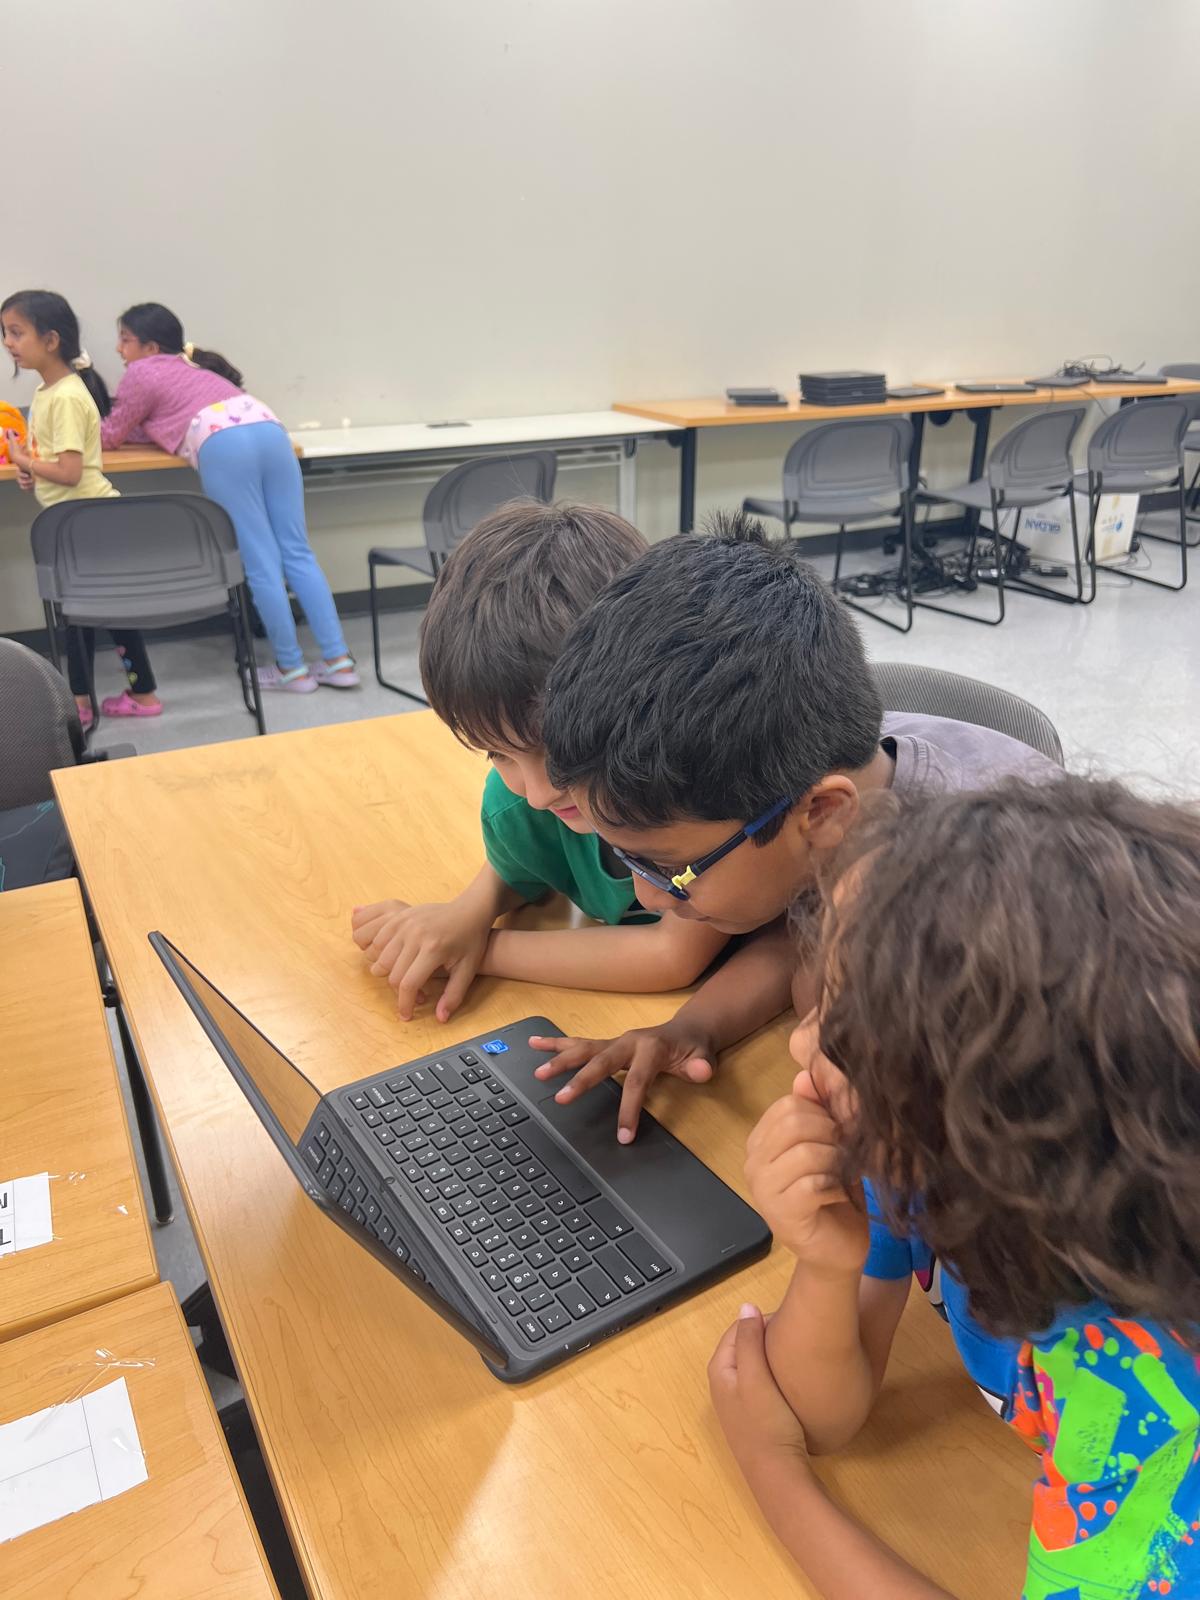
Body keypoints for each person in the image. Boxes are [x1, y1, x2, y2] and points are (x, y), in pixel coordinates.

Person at [708, 776, 1200, 1600]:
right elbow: (823, 1415)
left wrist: (775, 1476)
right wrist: (828, 1262)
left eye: (844, 1036)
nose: (798, 1046)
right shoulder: (926, 1154)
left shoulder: (1145, 1388)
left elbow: (793, 1439)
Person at [536, 511, 1058, 1139]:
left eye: (670, 869)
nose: (649, 899)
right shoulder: (813, 802)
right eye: (629, 861)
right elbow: (799, 930)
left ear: (822, 813)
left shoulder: (981, 931)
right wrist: (692, 1028)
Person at [351, 502, 729, 1047]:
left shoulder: (697, 791)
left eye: (553, 750)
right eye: (497, 754)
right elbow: (522, 861)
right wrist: (468, 912)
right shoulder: (517, 804)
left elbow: (670, 955)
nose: (537, 792)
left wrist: (478, 945)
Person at [101, 302, 356, 693]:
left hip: (224, 443)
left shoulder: (141, 371)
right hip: (269, 429)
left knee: (260, 563)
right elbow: (152, 422)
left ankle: (292, 669)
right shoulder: (195, 370)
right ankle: (339, 662)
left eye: (125, 340)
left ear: (150, 348)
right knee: (297, 552)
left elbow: (111, 435)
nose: (119, 349)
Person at [2, 290, 162, 728]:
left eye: (16, 332)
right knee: (95, 612)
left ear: (51, 339)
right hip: (76, 521)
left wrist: (25, 462)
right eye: (5, 334)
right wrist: (32, 471)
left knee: (79, 615)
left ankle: (87, 701)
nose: (8, 343)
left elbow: (71, 472)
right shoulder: (48, 391)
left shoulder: (68, 396)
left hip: (88, 521)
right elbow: (58, 464)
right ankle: (133, 694)